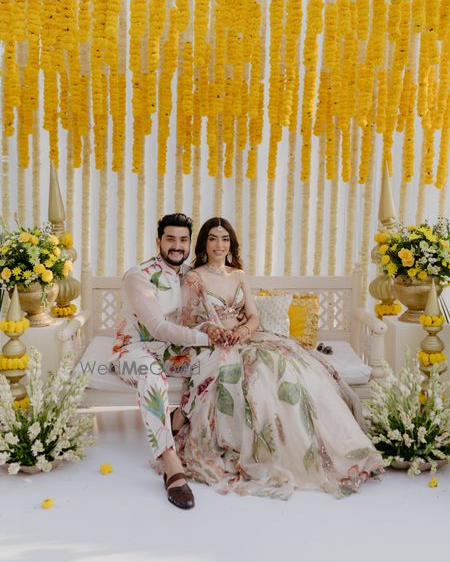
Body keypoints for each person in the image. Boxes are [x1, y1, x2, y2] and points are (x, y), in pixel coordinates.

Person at [171, 217, 385, 499]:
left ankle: (314, 449)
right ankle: (256, 450)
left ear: (231, 244)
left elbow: (253, 314)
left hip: (246, 336)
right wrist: (213, 330)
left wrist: (245, 330)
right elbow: (187, 321)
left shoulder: (238, 275)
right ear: (204, 243)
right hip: (213, 342)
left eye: (224, 239)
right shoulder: (194, 277)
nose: (219, 245)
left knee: (291, 365)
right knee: (254, 371)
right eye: (212, 238)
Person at [111, 213, 213, 510]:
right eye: (171, 239)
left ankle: (177, 419)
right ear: (159, 241)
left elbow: (205, 316)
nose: (177, 246)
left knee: (219, 360)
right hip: (133, 349)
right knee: (152, 374)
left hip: (172, 350)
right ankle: (170, 463)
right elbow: (156, 328)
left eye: (183, 240)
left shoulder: (192, 275)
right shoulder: (139, 275)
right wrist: (207, 338)